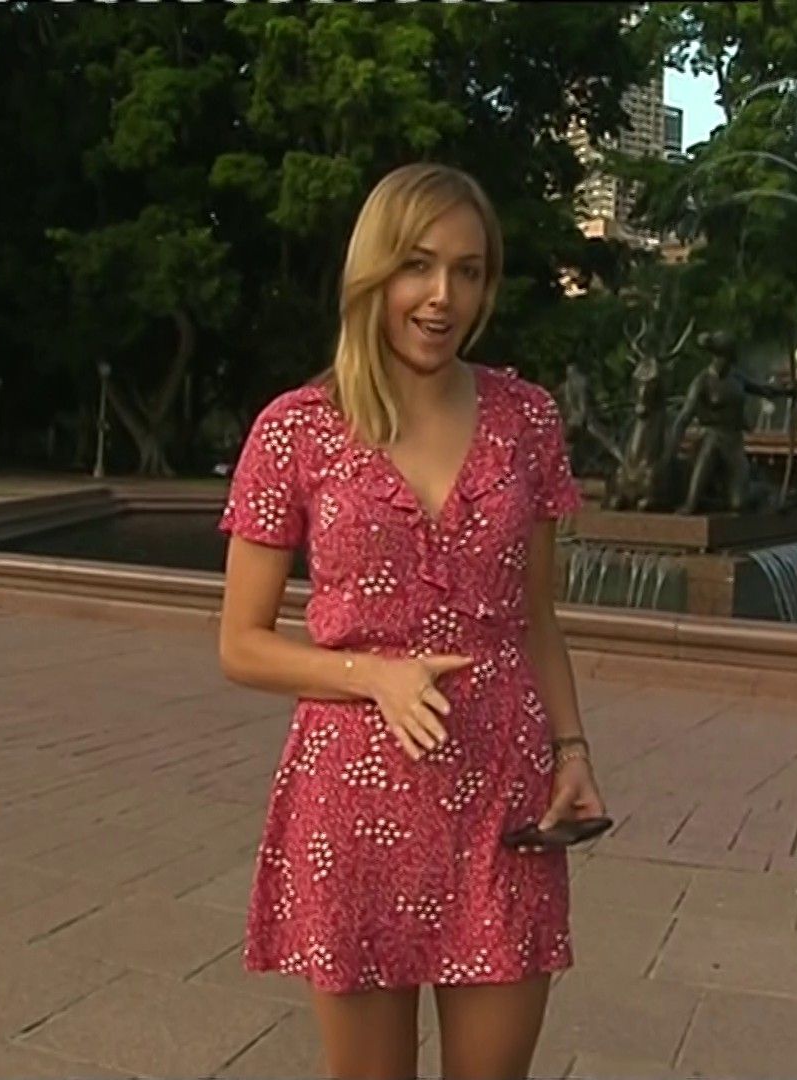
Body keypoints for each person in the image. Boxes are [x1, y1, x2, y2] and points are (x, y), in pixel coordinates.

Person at [216, 163, 606, 1080]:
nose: (442, 297)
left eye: (468, 272)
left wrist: (573, 750)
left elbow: (535, 617)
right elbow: (241, 644)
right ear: (374, 272)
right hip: (354, 801)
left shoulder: (527, 420)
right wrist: (374, 675)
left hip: (502, 797)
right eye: (418, 266)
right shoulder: (297, 430)